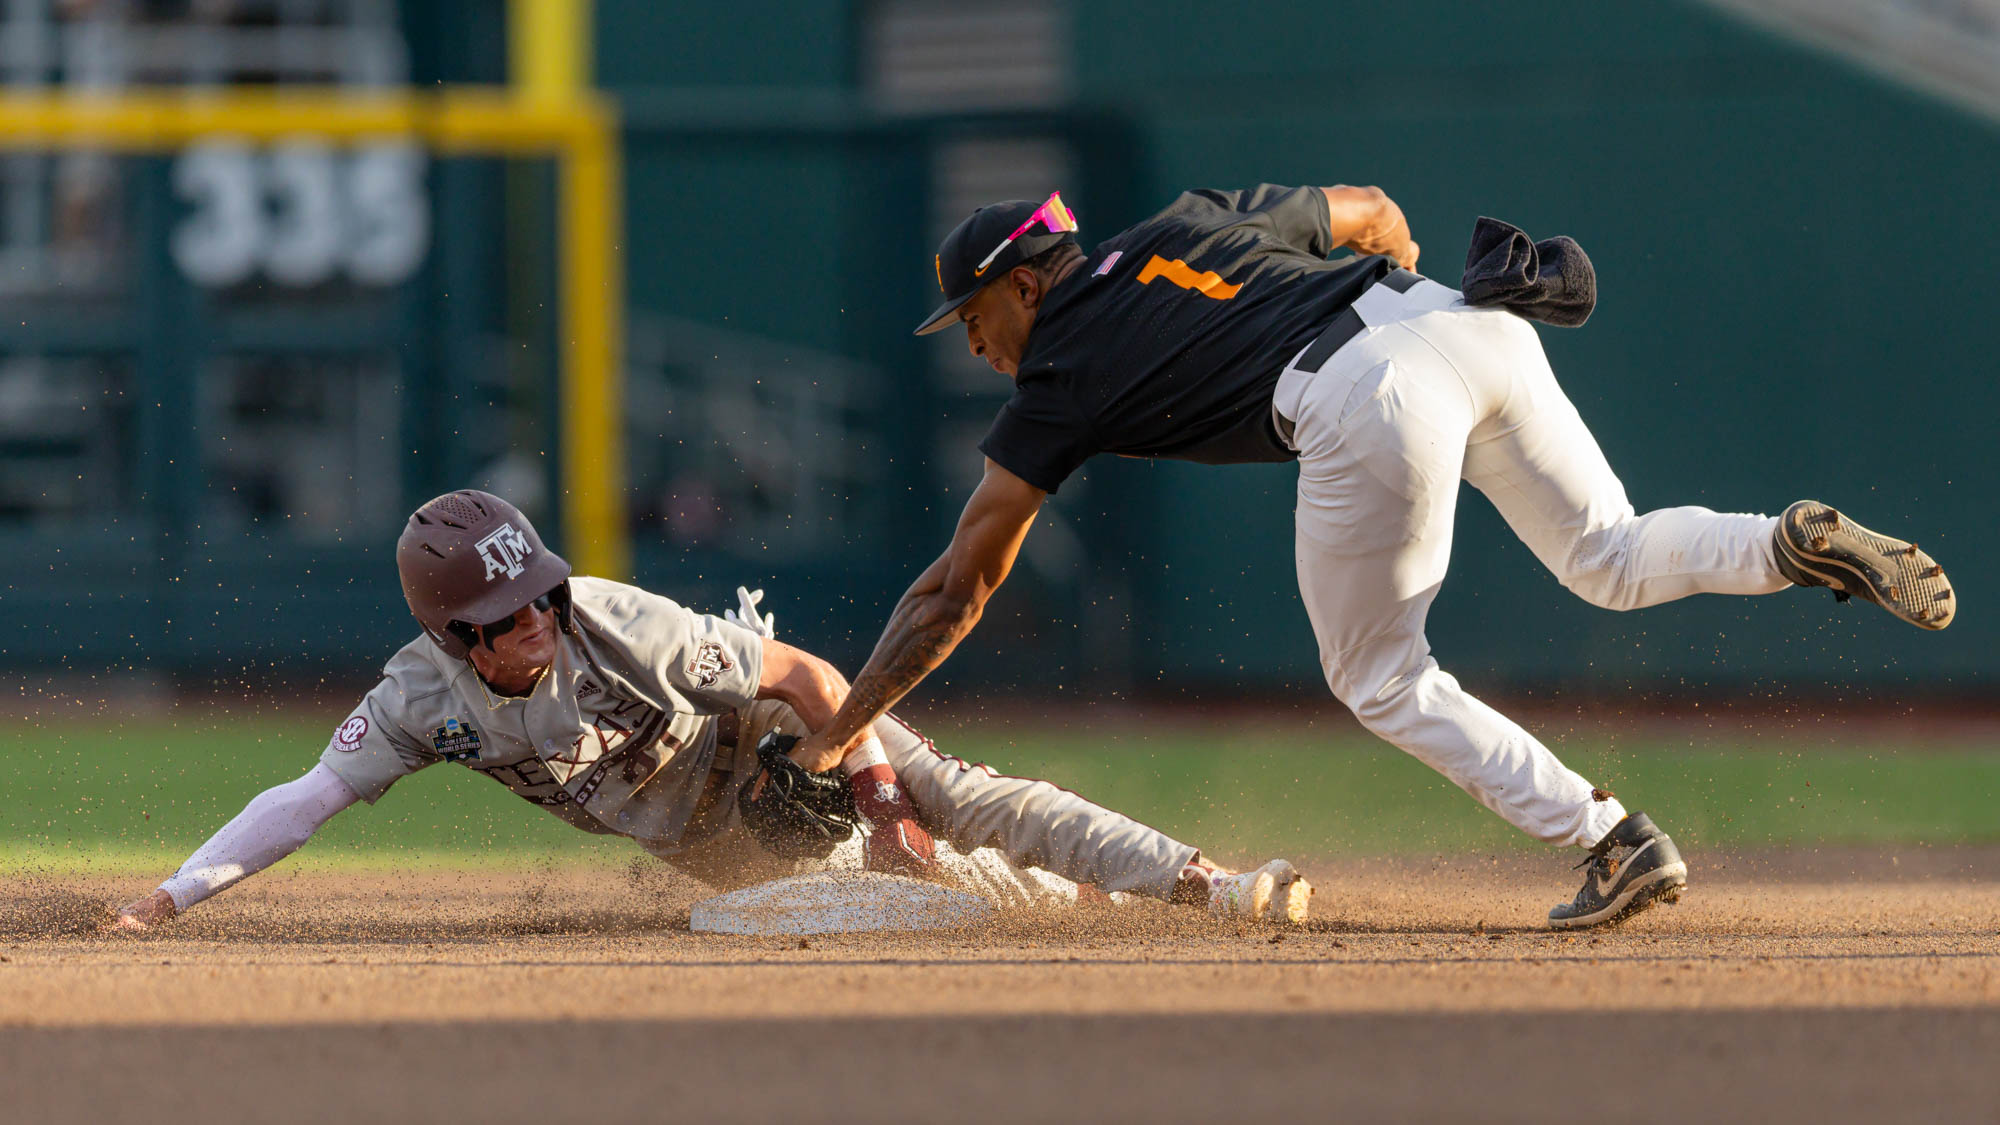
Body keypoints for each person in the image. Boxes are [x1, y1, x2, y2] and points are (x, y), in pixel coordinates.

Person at [783, 185, 1957, 930]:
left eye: (974, 315)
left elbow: (958, 585)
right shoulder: (1192, 220)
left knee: (1379, 678)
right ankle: (1786, 542)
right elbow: (1372, 209)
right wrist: (1413, 301)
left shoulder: (1057, 370)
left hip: (1364, 391)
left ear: (1025, 286)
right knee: (1606, 552)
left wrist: (838, 730)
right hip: (1463, 322)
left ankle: (1612, 841)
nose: (974, 340)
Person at [113, 490, 1312, 932]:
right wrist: (169, 897)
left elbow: (802, 675)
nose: (536, 619)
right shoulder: (420, 703)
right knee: (939, 896)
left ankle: (1206, 886)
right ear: (451, 636)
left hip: (796, 743)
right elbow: (308, 798)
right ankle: (1093, 904)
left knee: (961, 803)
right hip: (713, 844)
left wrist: (871, 781)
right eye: (507, 615)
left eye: (537, 594)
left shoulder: (612, 619)